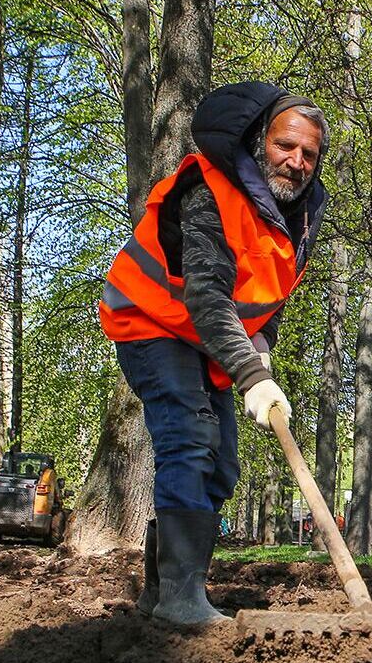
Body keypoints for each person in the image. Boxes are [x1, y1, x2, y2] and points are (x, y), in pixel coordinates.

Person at [99, 82, 329, 627]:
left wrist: (262, 356)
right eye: (285, 146)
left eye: (309, 155)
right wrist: (249, 373)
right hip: (152, 322)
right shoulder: (210, 190)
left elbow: (269, 295)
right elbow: (206, 294)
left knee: (221, 466)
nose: (296, 162)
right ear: (258, 142)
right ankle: (182, 596)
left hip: (207, 341)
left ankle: (159, 595)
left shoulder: (296, 219)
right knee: (190, 436)